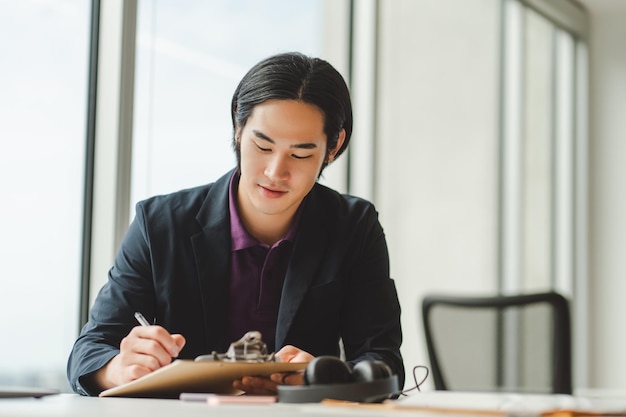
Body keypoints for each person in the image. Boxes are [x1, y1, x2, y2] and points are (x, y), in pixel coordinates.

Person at [67, 51, 404, 396]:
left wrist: (324, 379)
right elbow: (89, 351)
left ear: (333, 147)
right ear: (238, 129)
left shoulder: (354, 227)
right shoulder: (160, 225)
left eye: (300, 154)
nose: (275, 172)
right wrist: (118, 370)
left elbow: (383, 360)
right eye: (262, 145)